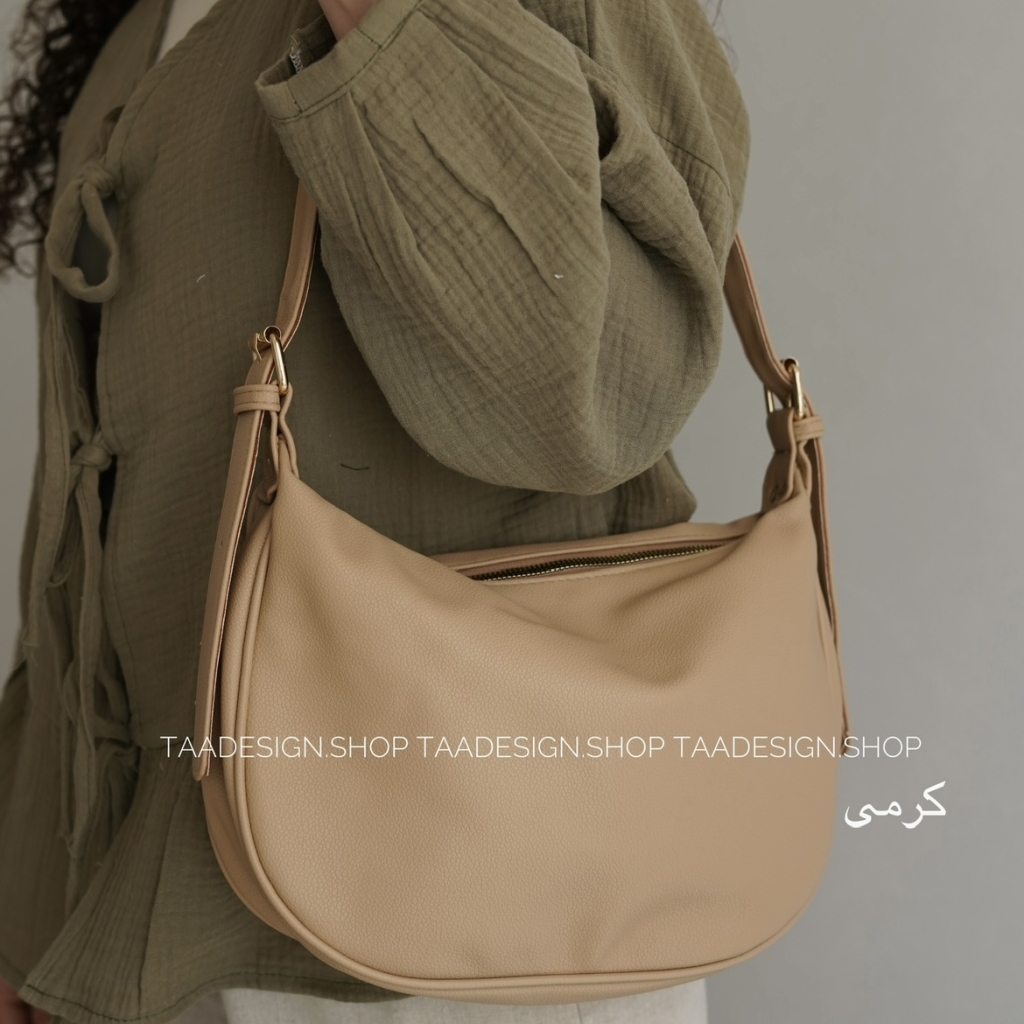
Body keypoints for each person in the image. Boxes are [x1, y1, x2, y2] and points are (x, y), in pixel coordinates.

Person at [0, 0, 750, 1021]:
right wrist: (38, 909)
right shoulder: (142, 18)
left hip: (490, 918)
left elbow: (583, 396)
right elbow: (88, 504)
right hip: (199, 907)